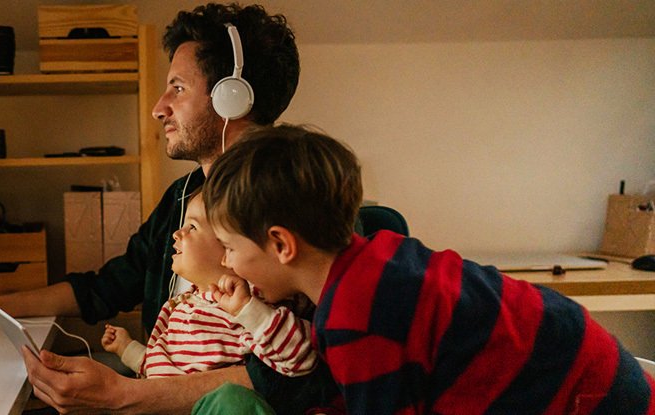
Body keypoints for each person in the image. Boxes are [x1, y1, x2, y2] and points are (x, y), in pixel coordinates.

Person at [0, 4, 334, 413]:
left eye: (177, 88)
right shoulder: (181, 198)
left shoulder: (299, 204)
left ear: (230, 97)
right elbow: (105, 287)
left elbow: (302, 375)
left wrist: (127, 395)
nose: (159, 108)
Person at [201, 124, 655, 413]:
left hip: (587, 396)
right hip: (595, 362)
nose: (226, 262)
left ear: (281, 243)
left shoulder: (355, 316)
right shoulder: (375, 254)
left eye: (228, 247)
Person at [102, 190, 315, 379]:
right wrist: (126, 348)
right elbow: (161, 370)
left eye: (192, 226)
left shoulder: (246, 304)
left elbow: (301, 357)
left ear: (228, 245)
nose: (177, 233)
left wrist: (248, 310)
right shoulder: (178, 306)